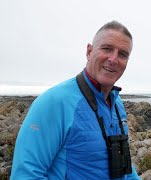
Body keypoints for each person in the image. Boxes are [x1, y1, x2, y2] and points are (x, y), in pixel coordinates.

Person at [11, 21, 140, 179]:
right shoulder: (55, 102)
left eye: (122, 54)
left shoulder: (116, 103)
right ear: (89, 52)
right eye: (106, 49)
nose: (113, 59)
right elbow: (25, 174)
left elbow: (123, 164)